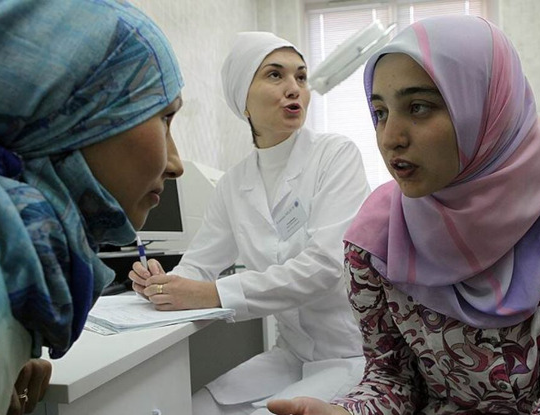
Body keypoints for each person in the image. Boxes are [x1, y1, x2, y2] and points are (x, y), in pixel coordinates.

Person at [266, 15, 540, 415]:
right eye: (380, 112)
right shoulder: (375, 238)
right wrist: (346, 412)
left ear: (486, 106)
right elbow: (392, 380)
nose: (390, 138)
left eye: (419, 107)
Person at [0, 0, 184, 413]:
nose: (176, 164)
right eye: (164, 118)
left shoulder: (3, 264)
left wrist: (7, 359)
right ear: (72, 115)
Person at [129, 32, 371, 415]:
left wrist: (213, 294)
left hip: (351, 355)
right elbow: (199, 265)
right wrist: (161, 283)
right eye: (275, 75)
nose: (294, 88)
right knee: (192, 407)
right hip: (291, 355)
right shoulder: (233, 183)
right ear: (243, 100)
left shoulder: (335, 155)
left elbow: (326, 266)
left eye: (301, 76)